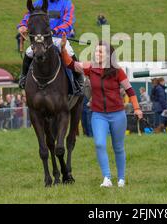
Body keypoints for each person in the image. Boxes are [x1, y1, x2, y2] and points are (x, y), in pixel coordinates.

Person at [60, 39, 143, 187]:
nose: (97, 54)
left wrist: (136, 108)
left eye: (100, 52)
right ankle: (107, 178)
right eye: (96, 51)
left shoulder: (118, 71)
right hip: (98, 114)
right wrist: (63, 48)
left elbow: (130, 90)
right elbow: (70, 64)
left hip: (118, 114)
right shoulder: (90, 68)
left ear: (108, 55)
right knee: (99, 144)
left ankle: (121, 179)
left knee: (118, 147)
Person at [17, 0, 82, 94]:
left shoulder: (67, 3)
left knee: (69, 51)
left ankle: (78, 82)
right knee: (29, 52)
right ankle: (23, 77)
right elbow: (27, 17)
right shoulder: (38, 3)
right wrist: (22, 26)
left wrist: (55, 30)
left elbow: (68, 23)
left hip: (58, 39)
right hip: (41, 40)